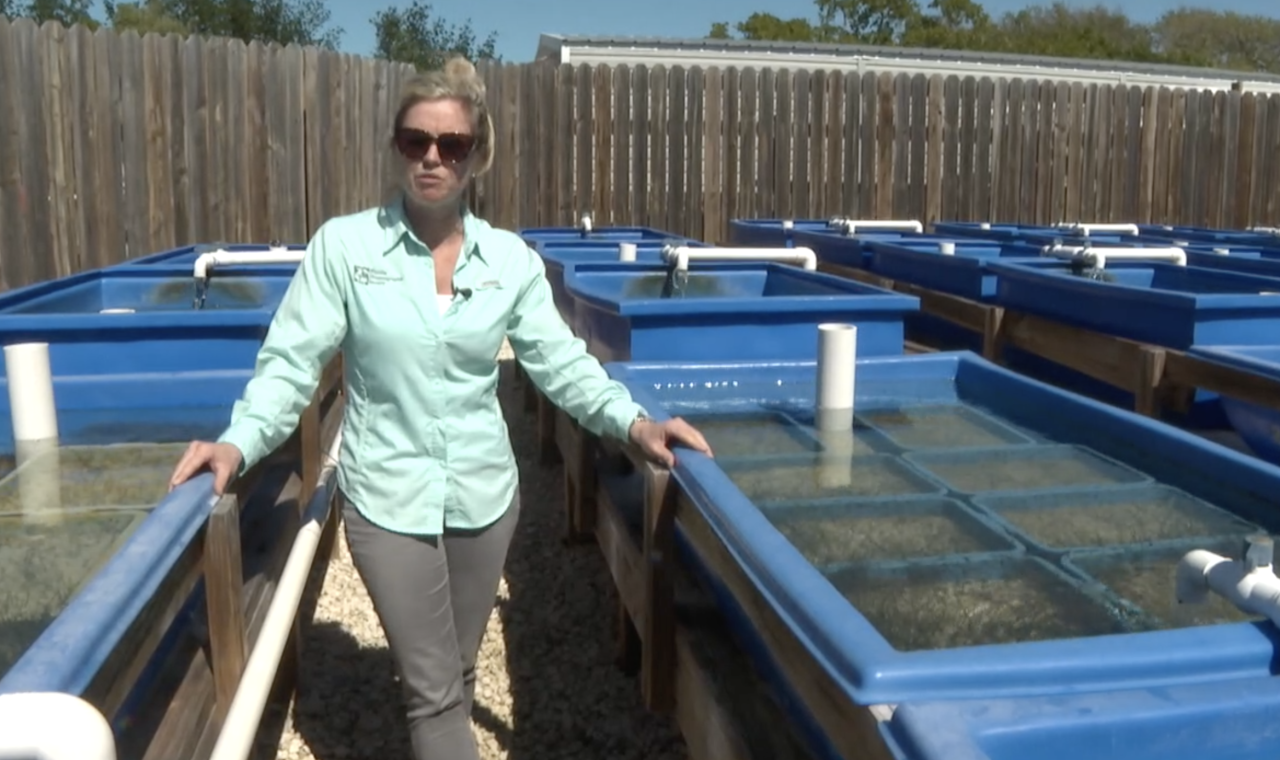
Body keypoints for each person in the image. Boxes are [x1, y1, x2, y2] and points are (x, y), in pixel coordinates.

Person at [167, 56, 713, 760]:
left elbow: (561, 362)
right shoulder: (345, 247)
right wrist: (236, 444)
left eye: (450, 144)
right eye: (414, 140)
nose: (431, 157)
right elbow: (291, 365)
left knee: (452, 671)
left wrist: (634, 423)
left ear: (475, 155)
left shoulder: (509, 261)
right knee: (433, 695)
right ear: (396, 145)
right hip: (385, 498)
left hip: (485, 498)